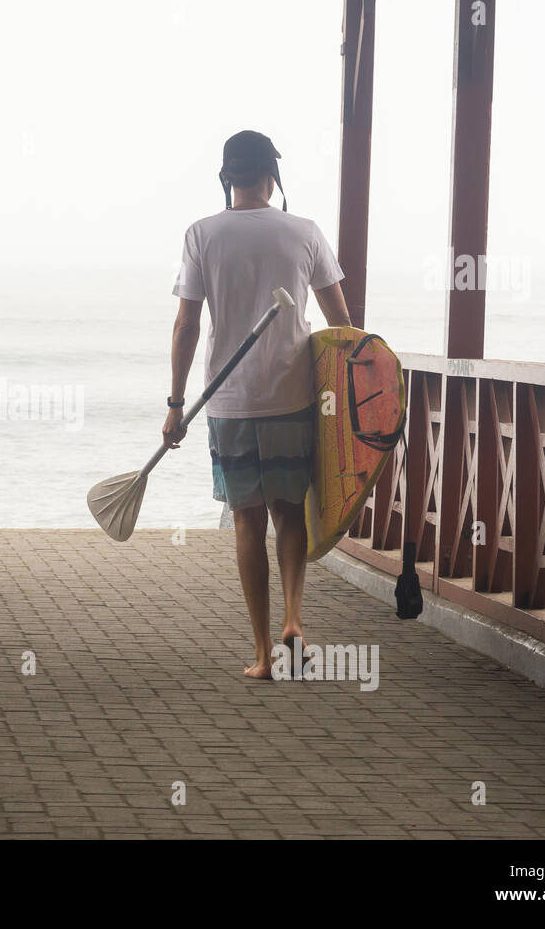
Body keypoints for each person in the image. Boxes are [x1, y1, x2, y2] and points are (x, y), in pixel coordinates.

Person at [163, 130, 353, 679]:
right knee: (289, 512)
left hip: (228, 401)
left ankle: (264, 652)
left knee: (247, 519)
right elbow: (342, 324)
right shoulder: (304, 233)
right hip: (291, 398)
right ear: (273, 176)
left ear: (227, 179)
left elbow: (187, 324)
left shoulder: (202, 234)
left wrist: (176, 403)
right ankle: (296, 619)